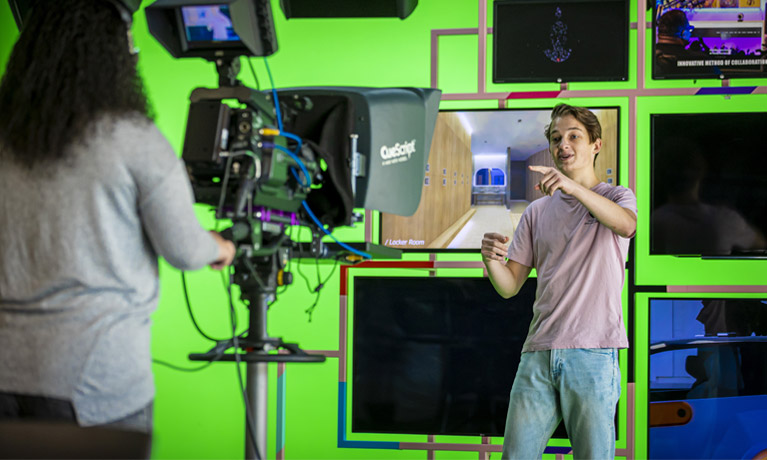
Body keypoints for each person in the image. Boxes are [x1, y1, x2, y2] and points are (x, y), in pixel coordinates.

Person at [0, 0, 236, 435]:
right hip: (92, 383)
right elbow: (185, 250)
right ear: (106, 55)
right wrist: (221, 245)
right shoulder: (131, 139)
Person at [480, 104, 637, 459]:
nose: (562, 144)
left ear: (595, 144)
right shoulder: (536, 212)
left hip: (593, 352)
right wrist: (490, 259)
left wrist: (571, 187)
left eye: (573, 136)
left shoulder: (617, 197)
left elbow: (627, 226)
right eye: (555, 138)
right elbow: (510, 286)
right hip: (537, 353)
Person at [654, 9, 721, 76]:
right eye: (689, 29)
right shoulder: (700, 61)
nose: (690, 33)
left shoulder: (648, 56)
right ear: (684, 33)